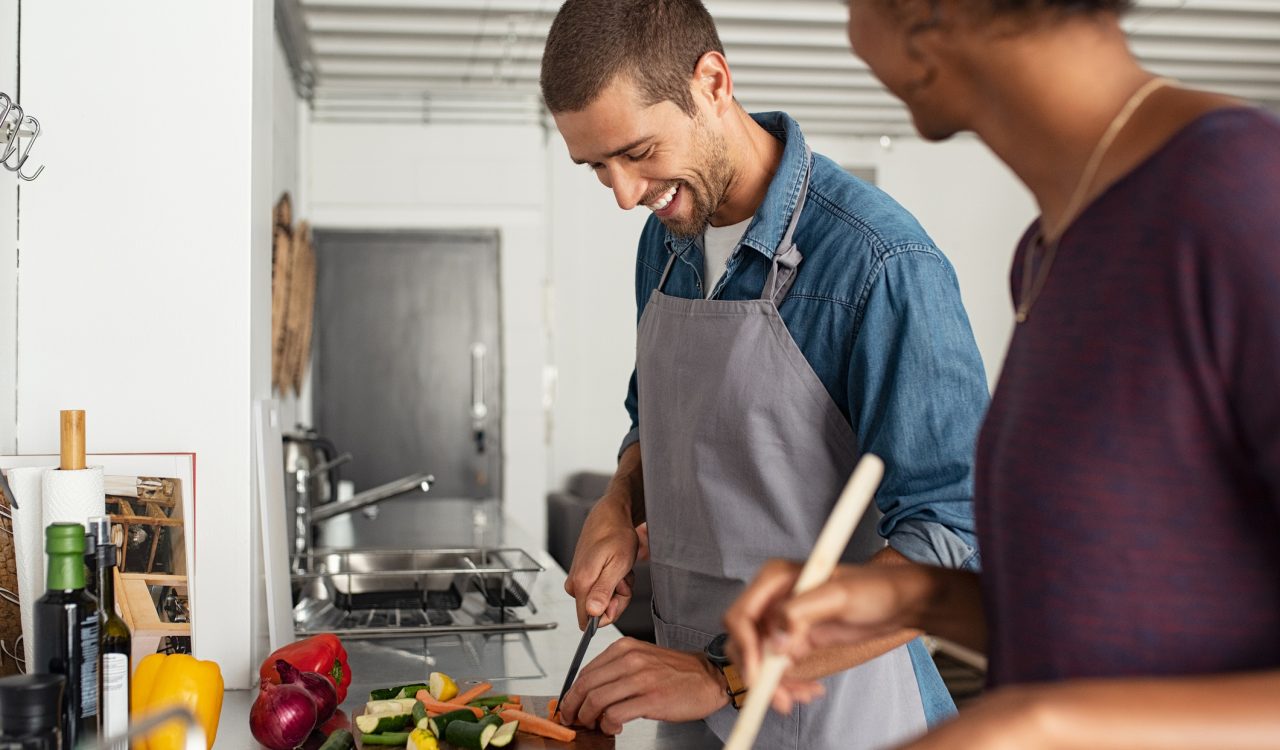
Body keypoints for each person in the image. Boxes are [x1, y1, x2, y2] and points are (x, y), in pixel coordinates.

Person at [725, 0, 1280, 747]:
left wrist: (1037, 725)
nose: (852, 34)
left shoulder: (1241, 197)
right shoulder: (1048, 249)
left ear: (924, 21)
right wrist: (910, 594)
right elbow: (1120, 624)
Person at [539, 0, 991, 746]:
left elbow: (951, 534)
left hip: (844, 715)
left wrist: (726, 676)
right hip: (688, 706)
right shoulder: (668, 245)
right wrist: (617, 504)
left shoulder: (879, 264)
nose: (624, 194)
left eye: (638, 152)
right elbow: (654, 416)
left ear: (713, 82)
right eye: (597, 168)